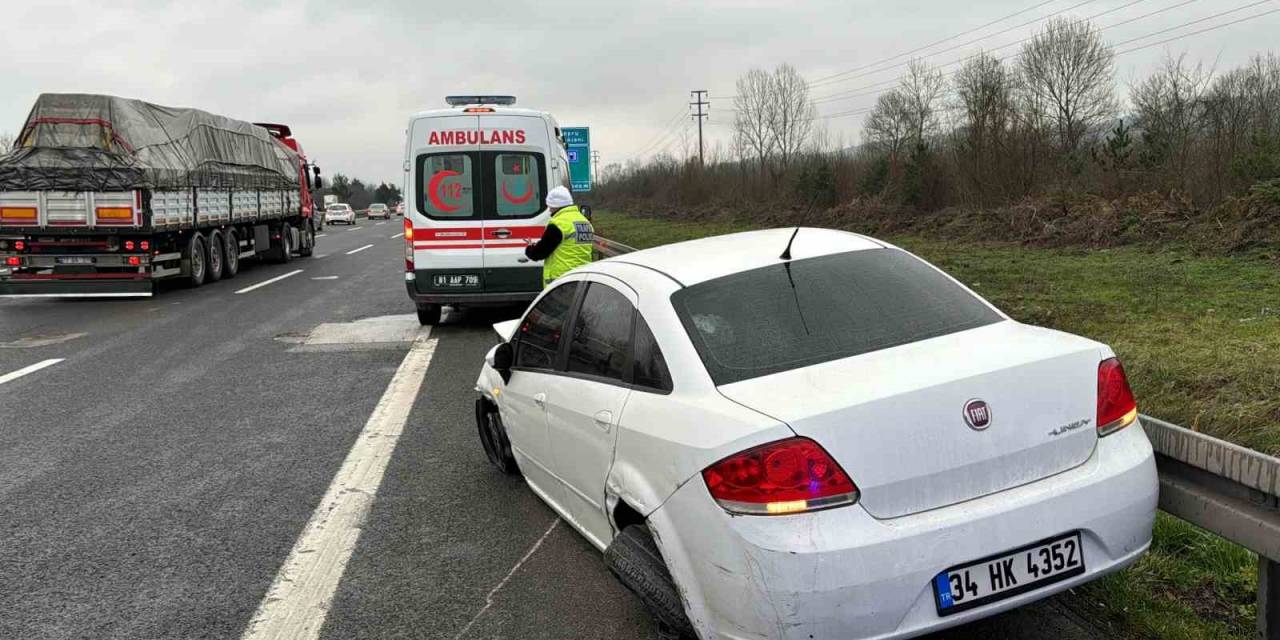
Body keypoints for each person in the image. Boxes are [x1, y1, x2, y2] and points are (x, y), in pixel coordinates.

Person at [525, 186, 593, 287]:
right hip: (582, 278)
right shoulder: (585, 221)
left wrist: (530, 248)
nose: (549, 210)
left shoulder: (558, 224)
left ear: (556, 205)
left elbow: (539, 253)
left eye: (550, 206)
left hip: (562, 281)